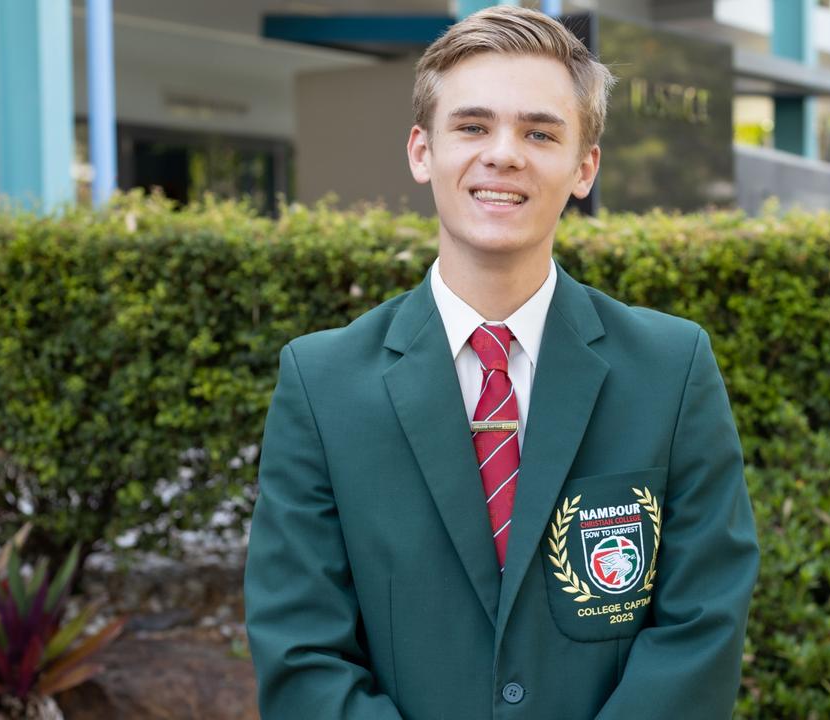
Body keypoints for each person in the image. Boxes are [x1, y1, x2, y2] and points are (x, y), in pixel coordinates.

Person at [243, 6, 759, 719]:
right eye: (472, 126)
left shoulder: (670, 372)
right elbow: (301, 651)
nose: (504, 154)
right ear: (422, 151)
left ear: (584, 167)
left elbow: (701, 624)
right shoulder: (322, 385)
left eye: (539, 132)